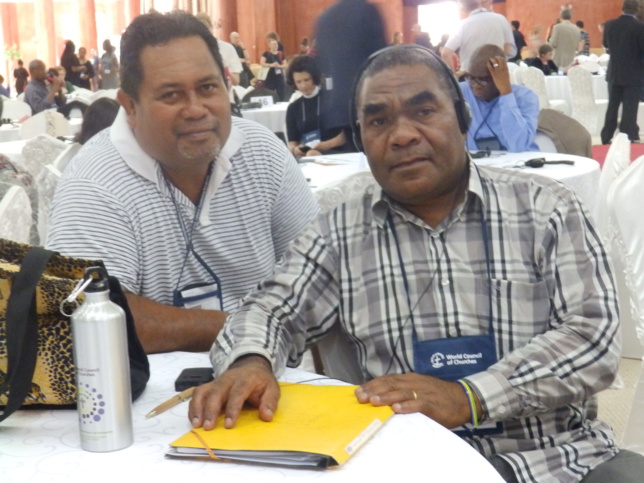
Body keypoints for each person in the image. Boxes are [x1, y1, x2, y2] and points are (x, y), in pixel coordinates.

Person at [190, 44, 644, 483]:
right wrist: (251, 360)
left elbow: (592, 338)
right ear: (362, 137)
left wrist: (469, 396)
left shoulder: (545, 209)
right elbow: (269, 308)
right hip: (411, 465)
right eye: (378, 120)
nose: (402, 134)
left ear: (461, 118)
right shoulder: (340, 230)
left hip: (559, 460)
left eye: (424, 111)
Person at [46, 10, 318, 354]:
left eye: (207, 88)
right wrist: (242, 325)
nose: (195, 109)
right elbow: (89, 314)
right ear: (130, 106)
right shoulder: (95, 182)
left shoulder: (262, 153)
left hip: (270, 374)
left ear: (226, 84)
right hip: (143, 396)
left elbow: (316, 278)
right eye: (171, 95)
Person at [314, 0, 387, 145]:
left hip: (337, 106)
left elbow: (320, 61)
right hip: (368, 97)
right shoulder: (367, 11)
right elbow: (379, 57)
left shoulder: (324, 18)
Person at [462, 44, 539, 152]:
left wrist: (505, 92)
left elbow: (518, 145)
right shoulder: (462, 92)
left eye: (483, 79)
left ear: (500, 75)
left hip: (520, 164)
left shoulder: (524, 97)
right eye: (471, 78)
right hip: (480, 166)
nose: (475, 85)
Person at [285, 55, 347, 158]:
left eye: (306, 80)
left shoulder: (333, 99)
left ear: (314, 77)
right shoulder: (293, 108)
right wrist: (295, 149)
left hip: (336, 152)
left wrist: (325, 145)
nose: (303, 86)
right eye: (299, 82)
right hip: (309, 155)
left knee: (312, 154)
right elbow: (292, 141)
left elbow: (347, 135)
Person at [601, 0, 644, 144]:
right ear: (637, 9)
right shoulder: (640, 27)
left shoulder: (610, 25)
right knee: (629, 107)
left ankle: (606, 136)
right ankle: (628, 136)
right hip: (633, 74)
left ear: (622, 8)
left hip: (614, 71)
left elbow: (606, 45)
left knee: (612, 106)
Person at [442, 0, 516, 74]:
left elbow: (445, 53)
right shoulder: (501, 19)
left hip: (472, 76)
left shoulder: (462, 25)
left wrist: (454, 76)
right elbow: (510, 51)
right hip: (498, 73)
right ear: (479, 3)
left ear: (463, 9)